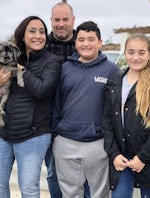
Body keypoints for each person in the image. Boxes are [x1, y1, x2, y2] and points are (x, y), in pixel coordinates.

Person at [0, 16, 61, 198]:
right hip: (0, 132)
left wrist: (20, 70)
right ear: (22, 35)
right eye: (32, 31)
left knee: (28, 190)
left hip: (33, 135)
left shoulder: (52, 61)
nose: (38, 36)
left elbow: (42, 90)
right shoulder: (8, 55)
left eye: (42, 31)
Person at [52, 21, 121, 198]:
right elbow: (56, 103)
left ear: (100, 42)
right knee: (70, 193)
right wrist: (57, 133)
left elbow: (117, 108)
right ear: (75, 42)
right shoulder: (65, 69)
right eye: (81, 39)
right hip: (65, 142)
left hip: (97, 143)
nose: (86, 44)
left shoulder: (112, 70)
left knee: (100, 194)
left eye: (91, 39)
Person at [102, 33, 150, 198]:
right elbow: (107, 122)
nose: (136, 57)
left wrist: (142, 158)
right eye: (131, 52)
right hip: (122, 156)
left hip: (148, 157)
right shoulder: (114, 82)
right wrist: (114, 154)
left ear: (149, 54)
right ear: (125, 53)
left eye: (141, 52)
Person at [46, 2, 90, 198]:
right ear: (51, 21)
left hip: (82, 122)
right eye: (57, 20)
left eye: (65, 19)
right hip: (49, 122)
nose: (61, 24)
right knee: (55, 174)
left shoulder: (84, 45)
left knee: (87, 176)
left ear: (73, 20)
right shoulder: (42, 47)